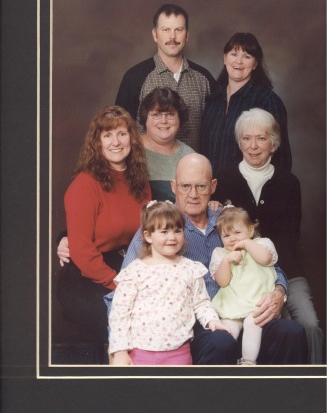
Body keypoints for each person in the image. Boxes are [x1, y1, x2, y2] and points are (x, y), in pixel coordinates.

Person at [121, 153, 308, 365]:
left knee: (291, 332)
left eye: (201, 186)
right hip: (197, 325)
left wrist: (279, 291)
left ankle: (283, 398)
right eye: (185, 186)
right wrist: (119, 349)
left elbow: (268, 262)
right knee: (221, 343)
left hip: (249, 313)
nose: (193, 194)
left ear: (213, 186)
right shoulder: (160, 229)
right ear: (173, 186)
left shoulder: (229, 218)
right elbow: (123, 289)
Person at [213, 107, 323, 364]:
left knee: (309, 324)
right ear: (239, 142)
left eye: (261, 138)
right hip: (239, 276)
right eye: (246, 138)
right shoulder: (224, 180)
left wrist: (278, 286)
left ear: (274, 144)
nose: (253, 146)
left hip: (284, 269)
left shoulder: (289, 183)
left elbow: (288, 238)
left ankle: (319, 391)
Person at [56, 106, 151, 346]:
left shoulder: (139, 181)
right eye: (107, 135)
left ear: (132, 138)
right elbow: (83, 252)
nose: (115, 142)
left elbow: (146, 235)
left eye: (122, 133)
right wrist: (118, 283)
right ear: (97, 143)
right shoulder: (85, 184)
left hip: (125, 269)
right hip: (86, 279)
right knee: (125, 324)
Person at [109, 200, 230, 366]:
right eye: (164, 231)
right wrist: (120, 351)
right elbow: (119, 315)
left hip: (179, 354)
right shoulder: (134, 272)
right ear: (148, 236)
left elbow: (201, 303)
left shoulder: (190, 269)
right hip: (140, 354)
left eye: (177, 231)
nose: (172, 237)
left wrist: (212, 320)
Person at [115, 3, 216, 151]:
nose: (172, 37)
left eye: (179, 30)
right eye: (166, 30)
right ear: (155, 34)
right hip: (148, 170)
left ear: (187, 35)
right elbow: (119, 129)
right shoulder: (135, 77)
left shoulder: (204, 78)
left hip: (194, 170)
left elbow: (216, 131)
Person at [200, 32, 292, 176]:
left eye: (247, 56)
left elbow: (282, 157)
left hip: (248, 193)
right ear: (225, 58)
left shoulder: (267, 101)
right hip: (210, 191)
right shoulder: (212, 99)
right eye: (234, 54)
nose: (239, 61)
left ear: (255, 64)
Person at [210, 204, 279, 365]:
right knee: (227, 330)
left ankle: (248, 362)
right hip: (233, 302)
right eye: (226, 235)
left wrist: (247, 244)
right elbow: (222, 281)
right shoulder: (220, 253)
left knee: (252, 322)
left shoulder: (263, 243)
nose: (232, 238)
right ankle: (227, 363)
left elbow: (265, 259)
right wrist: (227, 261)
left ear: (250, 230)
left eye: (237, 233)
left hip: (257, 301)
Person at [139, 87, 194, 201]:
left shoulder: (190, 157)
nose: (163, 121)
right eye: (156, 115)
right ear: (145, 118)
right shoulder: (129, 149)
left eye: (170, 114)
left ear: (179, 118)